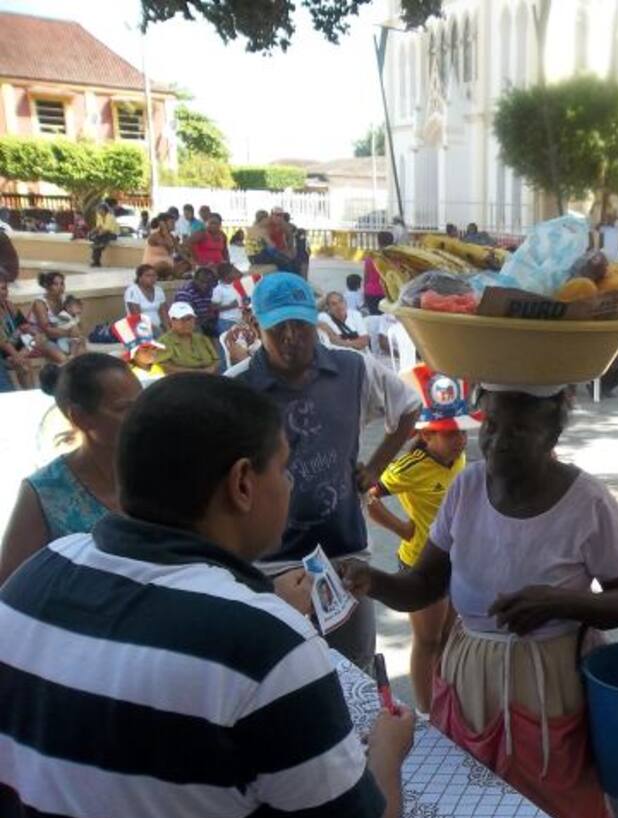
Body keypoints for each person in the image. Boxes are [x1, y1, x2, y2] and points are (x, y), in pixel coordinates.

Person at [0, 373, 414, 818]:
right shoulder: (267, 646)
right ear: (242, 484)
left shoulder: (36, 575)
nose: (288, 485)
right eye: (283, 468)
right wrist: (388, 750)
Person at [341, 385, 618, 818]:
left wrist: (558, 602)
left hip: (552, 685)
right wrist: (375, 581)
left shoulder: (587, 501)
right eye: (492, 425)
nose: (499, 440)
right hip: (469, 681)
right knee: (476, 816)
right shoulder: (466, 487)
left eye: (520, 429)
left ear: (552, 436)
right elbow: (424, 585)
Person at [230, 272, 422, 670]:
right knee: (281, 674)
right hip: (269, 566)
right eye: (277, 328)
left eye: (300, 325)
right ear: (254, 325)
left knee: (357, 669)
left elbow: (408, 406)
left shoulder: (351, 367)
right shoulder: (236, 387)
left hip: (344, 551)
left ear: (314, 321)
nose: (291, 338)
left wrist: (376, 467)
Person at [366, 365, 479, 712]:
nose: (460, 439)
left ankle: (445, 701)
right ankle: (427, 712)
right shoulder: (409, 467)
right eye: (449, 433)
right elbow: (368, 495)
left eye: (461, 431)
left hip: (456, 560)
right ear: (426, 435)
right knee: (427, 640)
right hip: (421, 562)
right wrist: (401, 528)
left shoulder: (458, 457)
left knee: (448, 636)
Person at [0, 353, 141, 584]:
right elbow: (10, 583)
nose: (141, 415)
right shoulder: (44, 491)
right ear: (80, 418)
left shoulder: (157, 468)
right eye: (124, 408)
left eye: (142, 403)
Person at [158, 301, 220, 374]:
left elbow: (216, 360)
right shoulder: (164, 342)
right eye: (182, 319)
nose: (187, 323)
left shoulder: (202, 338)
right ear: (172, 321)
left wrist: (211, 369)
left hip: (208, 379)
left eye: (189, 319)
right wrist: (198, 372)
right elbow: (164, 367)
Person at [32, 271, 82, 360]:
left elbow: (75, 321)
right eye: (56, 284)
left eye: (62, 284)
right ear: (47, 286)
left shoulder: (65, 300)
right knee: (63, 359)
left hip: (64, 337)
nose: (60, 287)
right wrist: (69, 333)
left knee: (82, 353)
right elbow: (47, 331)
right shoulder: (40, 303)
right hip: (43, 339)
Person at [246, 209, 299, 274]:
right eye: (267, 219)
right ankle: (289, 277)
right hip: (259, 256)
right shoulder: (262, 231)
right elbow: (272, 245)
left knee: (279, 256)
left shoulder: (251, 228)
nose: (268, 220)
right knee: (284, 262)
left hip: (250, 257)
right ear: (263, 219)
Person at [173, 266, 220, 337]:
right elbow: (185, 316)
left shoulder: (212, 289)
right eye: (202, 281)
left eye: (208, 282)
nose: (205, 285)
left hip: (208, 321)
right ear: (195, 279)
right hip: (190, 322)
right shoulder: (185, 292)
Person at [143, 214, 189, 280]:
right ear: (163, 223)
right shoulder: (155, 236)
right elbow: (170, 244)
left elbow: (180, 251)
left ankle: (169, 276)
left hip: (169, 266)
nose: (174, 225)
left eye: (174, 222)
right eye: (171, 222)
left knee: (186, 264)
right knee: (163, 265)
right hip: (153, 266)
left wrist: (190, 262)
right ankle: (172, 275)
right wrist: (164, 229)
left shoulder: (171, 236)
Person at [125, 263, 167, 331]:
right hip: (139, 329)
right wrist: (156, 331)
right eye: (148, 275)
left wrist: (168, 331)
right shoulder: (132, 291)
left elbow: (164, 314)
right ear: (140, 277)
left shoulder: (159, 290)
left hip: (158, 328)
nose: (152, 278)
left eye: (154, 275)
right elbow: (137, 317)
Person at [212, 261, 249, 336]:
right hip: (227, 321)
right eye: (234, 272)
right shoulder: (218, 289)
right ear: (227, 276)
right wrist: (231, 305)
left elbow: (240, 274)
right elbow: (213, 307)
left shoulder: (234, 286)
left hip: (239, 320)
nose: (236, 273)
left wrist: (243, 302)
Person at [363, 232, 391, 315]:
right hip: (387, 294)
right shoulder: (393, 259)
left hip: (370, 293)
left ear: (378, 241)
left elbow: (366, 277)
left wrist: (364, 292)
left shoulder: (371, 257)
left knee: (374, 319)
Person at [89, 202, 119, 267]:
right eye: (98, 210)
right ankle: (96, 260)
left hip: (112, 234)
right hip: (103, 233)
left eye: (100, 210)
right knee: (96, 244)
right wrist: (92, 232)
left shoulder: (110, 216)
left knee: (97, 242)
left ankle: (96, 260)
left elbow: (108, 229)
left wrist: (99, 234)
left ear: (104, 210)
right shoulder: (99, 216)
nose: (99, 211)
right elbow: (98, 226)